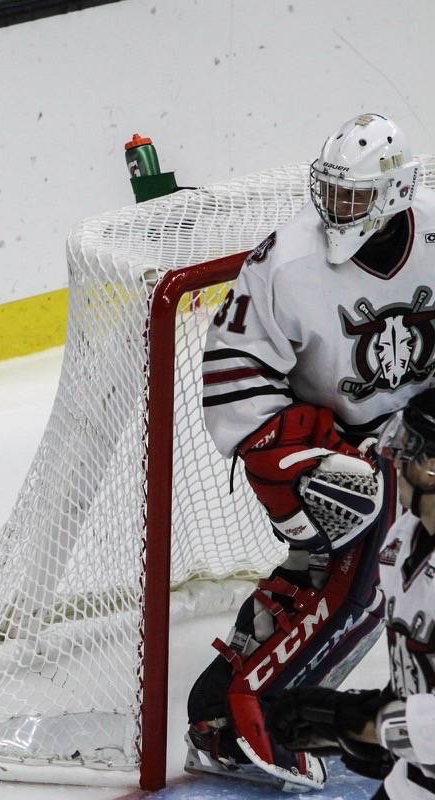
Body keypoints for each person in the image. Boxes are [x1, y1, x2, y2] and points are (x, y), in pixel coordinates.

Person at [185, 112, 431, 792]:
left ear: (394, 194)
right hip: (332, 451)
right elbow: (233, 375)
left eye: (351, 197)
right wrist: (295, 473)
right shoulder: (286, 261)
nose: (334, 209)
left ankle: (223, 705)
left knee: (345, 577)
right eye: (329, 191)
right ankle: (239, 719)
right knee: (361, 581)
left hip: (418, 432)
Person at [266, 388, 435, 800]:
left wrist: (359, 721)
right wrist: (378, 725)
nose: (395, 456)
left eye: (411, 447)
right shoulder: (403, 540)